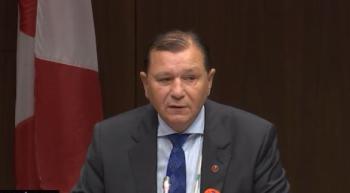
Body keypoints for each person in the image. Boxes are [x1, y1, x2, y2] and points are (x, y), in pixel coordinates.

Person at [72, 30, 290, 193]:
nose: (177, 91)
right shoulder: (110, 139)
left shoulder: (253, 138)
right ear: (146, 84)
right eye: (165, 79)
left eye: (190, 78)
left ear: (209, 81)